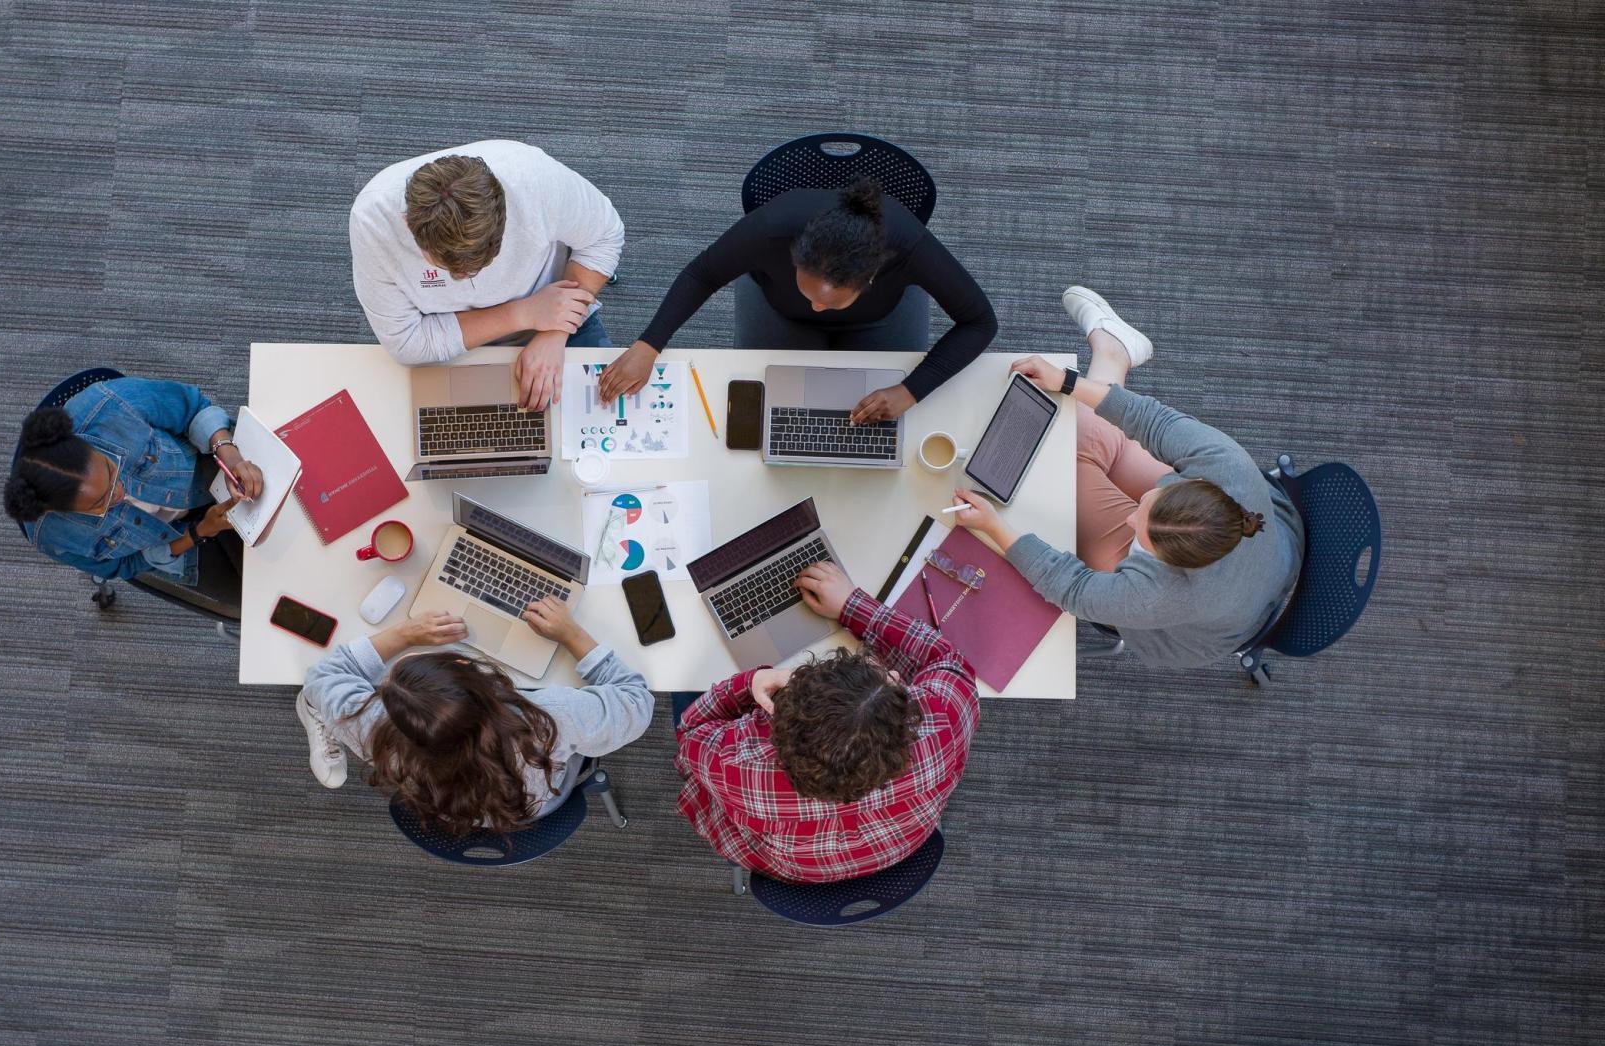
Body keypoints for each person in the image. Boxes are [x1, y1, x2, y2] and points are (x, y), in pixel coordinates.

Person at [947, 287, 1306, 669]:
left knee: (1075, 456)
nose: (1131, 515)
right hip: (1271, 550)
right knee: (1085, 443)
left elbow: (1071, 587)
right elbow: (1150, 419)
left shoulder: (1161, 594)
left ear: (1162, 565)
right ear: (1194, 485)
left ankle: (1113, 352)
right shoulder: (1227, 466)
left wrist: (994, 527)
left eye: (1141, 537)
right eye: (1147, 505)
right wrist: (1066, 381)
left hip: (1200, 628)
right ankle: (1113, 352)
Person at [598, 175, 997, 425]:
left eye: (829, 302)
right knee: (769, 411)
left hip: (878, 319)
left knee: (885, 423)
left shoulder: (908, 246)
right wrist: (649, 344)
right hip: (779, 310)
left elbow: (980, 321)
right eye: (810, 292)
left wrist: (912, 390)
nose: (816, 308)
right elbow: (702, 273)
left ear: (870, 276)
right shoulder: (772, 227)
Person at [675, 562, 978, 883]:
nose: (894, 673)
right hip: (901, 847)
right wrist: (853, 605)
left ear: (780, 719)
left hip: (795, 869)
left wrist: (751, 681)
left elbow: (690, 733)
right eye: (891, 682)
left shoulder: (743, 769)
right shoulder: (945, 720)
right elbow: (948, 660)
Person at [297, 599, 653, 833]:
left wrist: (404, 634)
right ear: (470, 669)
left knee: (318, 701)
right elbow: (637, 701)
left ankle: (316, 716)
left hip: (453, 813)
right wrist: (571, 634)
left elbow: (320, 679)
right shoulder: (551, 721)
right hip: (533, 805)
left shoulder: (377, 729)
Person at [350, 140, 626, 409]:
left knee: (602, 417)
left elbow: (604, 236)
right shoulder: (372, 223)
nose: (465, 279)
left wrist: (554, 331)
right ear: (407, 222)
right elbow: (407, 343)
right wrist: (524, 314)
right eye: (447, 269)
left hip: (559, 314)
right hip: (454, 340)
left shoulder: (534, 178)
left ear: (505, 213)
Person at [4, 377, 264, 613]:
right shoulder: (52, 537)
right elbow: (125, 566)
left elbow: (193, 408)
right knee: (258, 600)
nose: (121, 491)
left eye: (111, 469)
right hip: (182, 541)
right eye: (102, 502)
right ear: (56, 511)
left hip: (208, 467)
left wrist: (229, 456)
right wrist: (200, 531)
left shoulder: (109, 404)